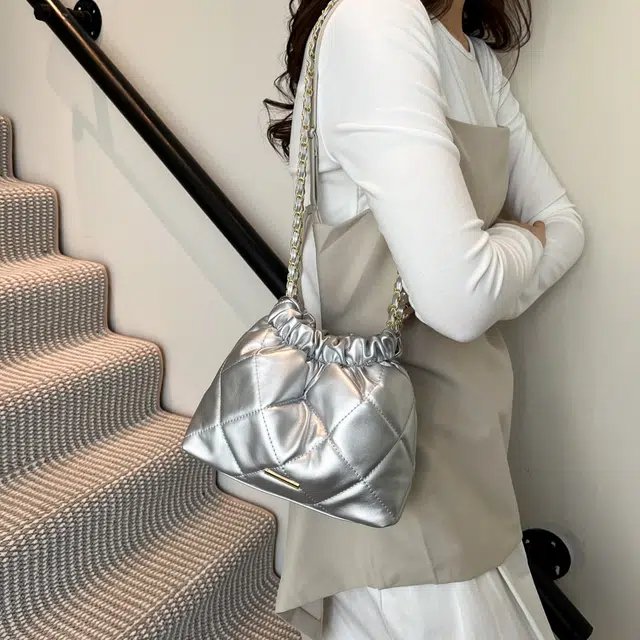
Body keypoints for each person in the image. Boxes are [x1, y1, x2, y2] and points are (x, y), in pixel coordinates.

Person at [263, 0, 585, 638]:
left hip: (470, 451)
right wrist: (519, 241)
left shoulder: (474, 58)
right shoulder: (376, 19)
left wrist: (491, 262)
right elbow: (462, 301)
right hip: (388, 481)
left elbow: (566, 226)